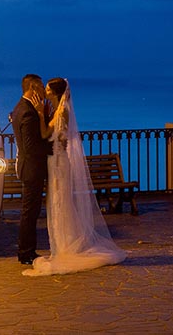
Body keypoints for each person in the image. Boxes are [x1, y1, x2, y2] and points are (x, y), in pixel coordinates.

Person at [23, 77, 127, 276]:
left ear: (54, 92)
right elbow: (49, 135)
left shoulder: (62, 112)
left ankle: (66, 246)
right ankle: (61, 245)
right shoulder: (55, 110)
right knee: (57, 203)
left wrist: (39, 114)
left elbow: (49, 135)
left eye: (47, 88)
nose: (44, 91)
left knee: (61, 203)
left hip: (59, 163)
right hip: (55, 162)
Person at [11, 74, 51, 265]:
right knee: (29, 212)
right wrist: (52, 149)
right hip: (32, 169)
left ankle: (26, 250)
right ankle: (26, 252)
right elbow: (30, 147)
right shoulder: (27, 112)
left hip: (29, 168)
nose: (44, 91)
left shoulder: (20, 107)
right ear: (33, 88)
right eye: (42, 87)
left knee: (30, 211)